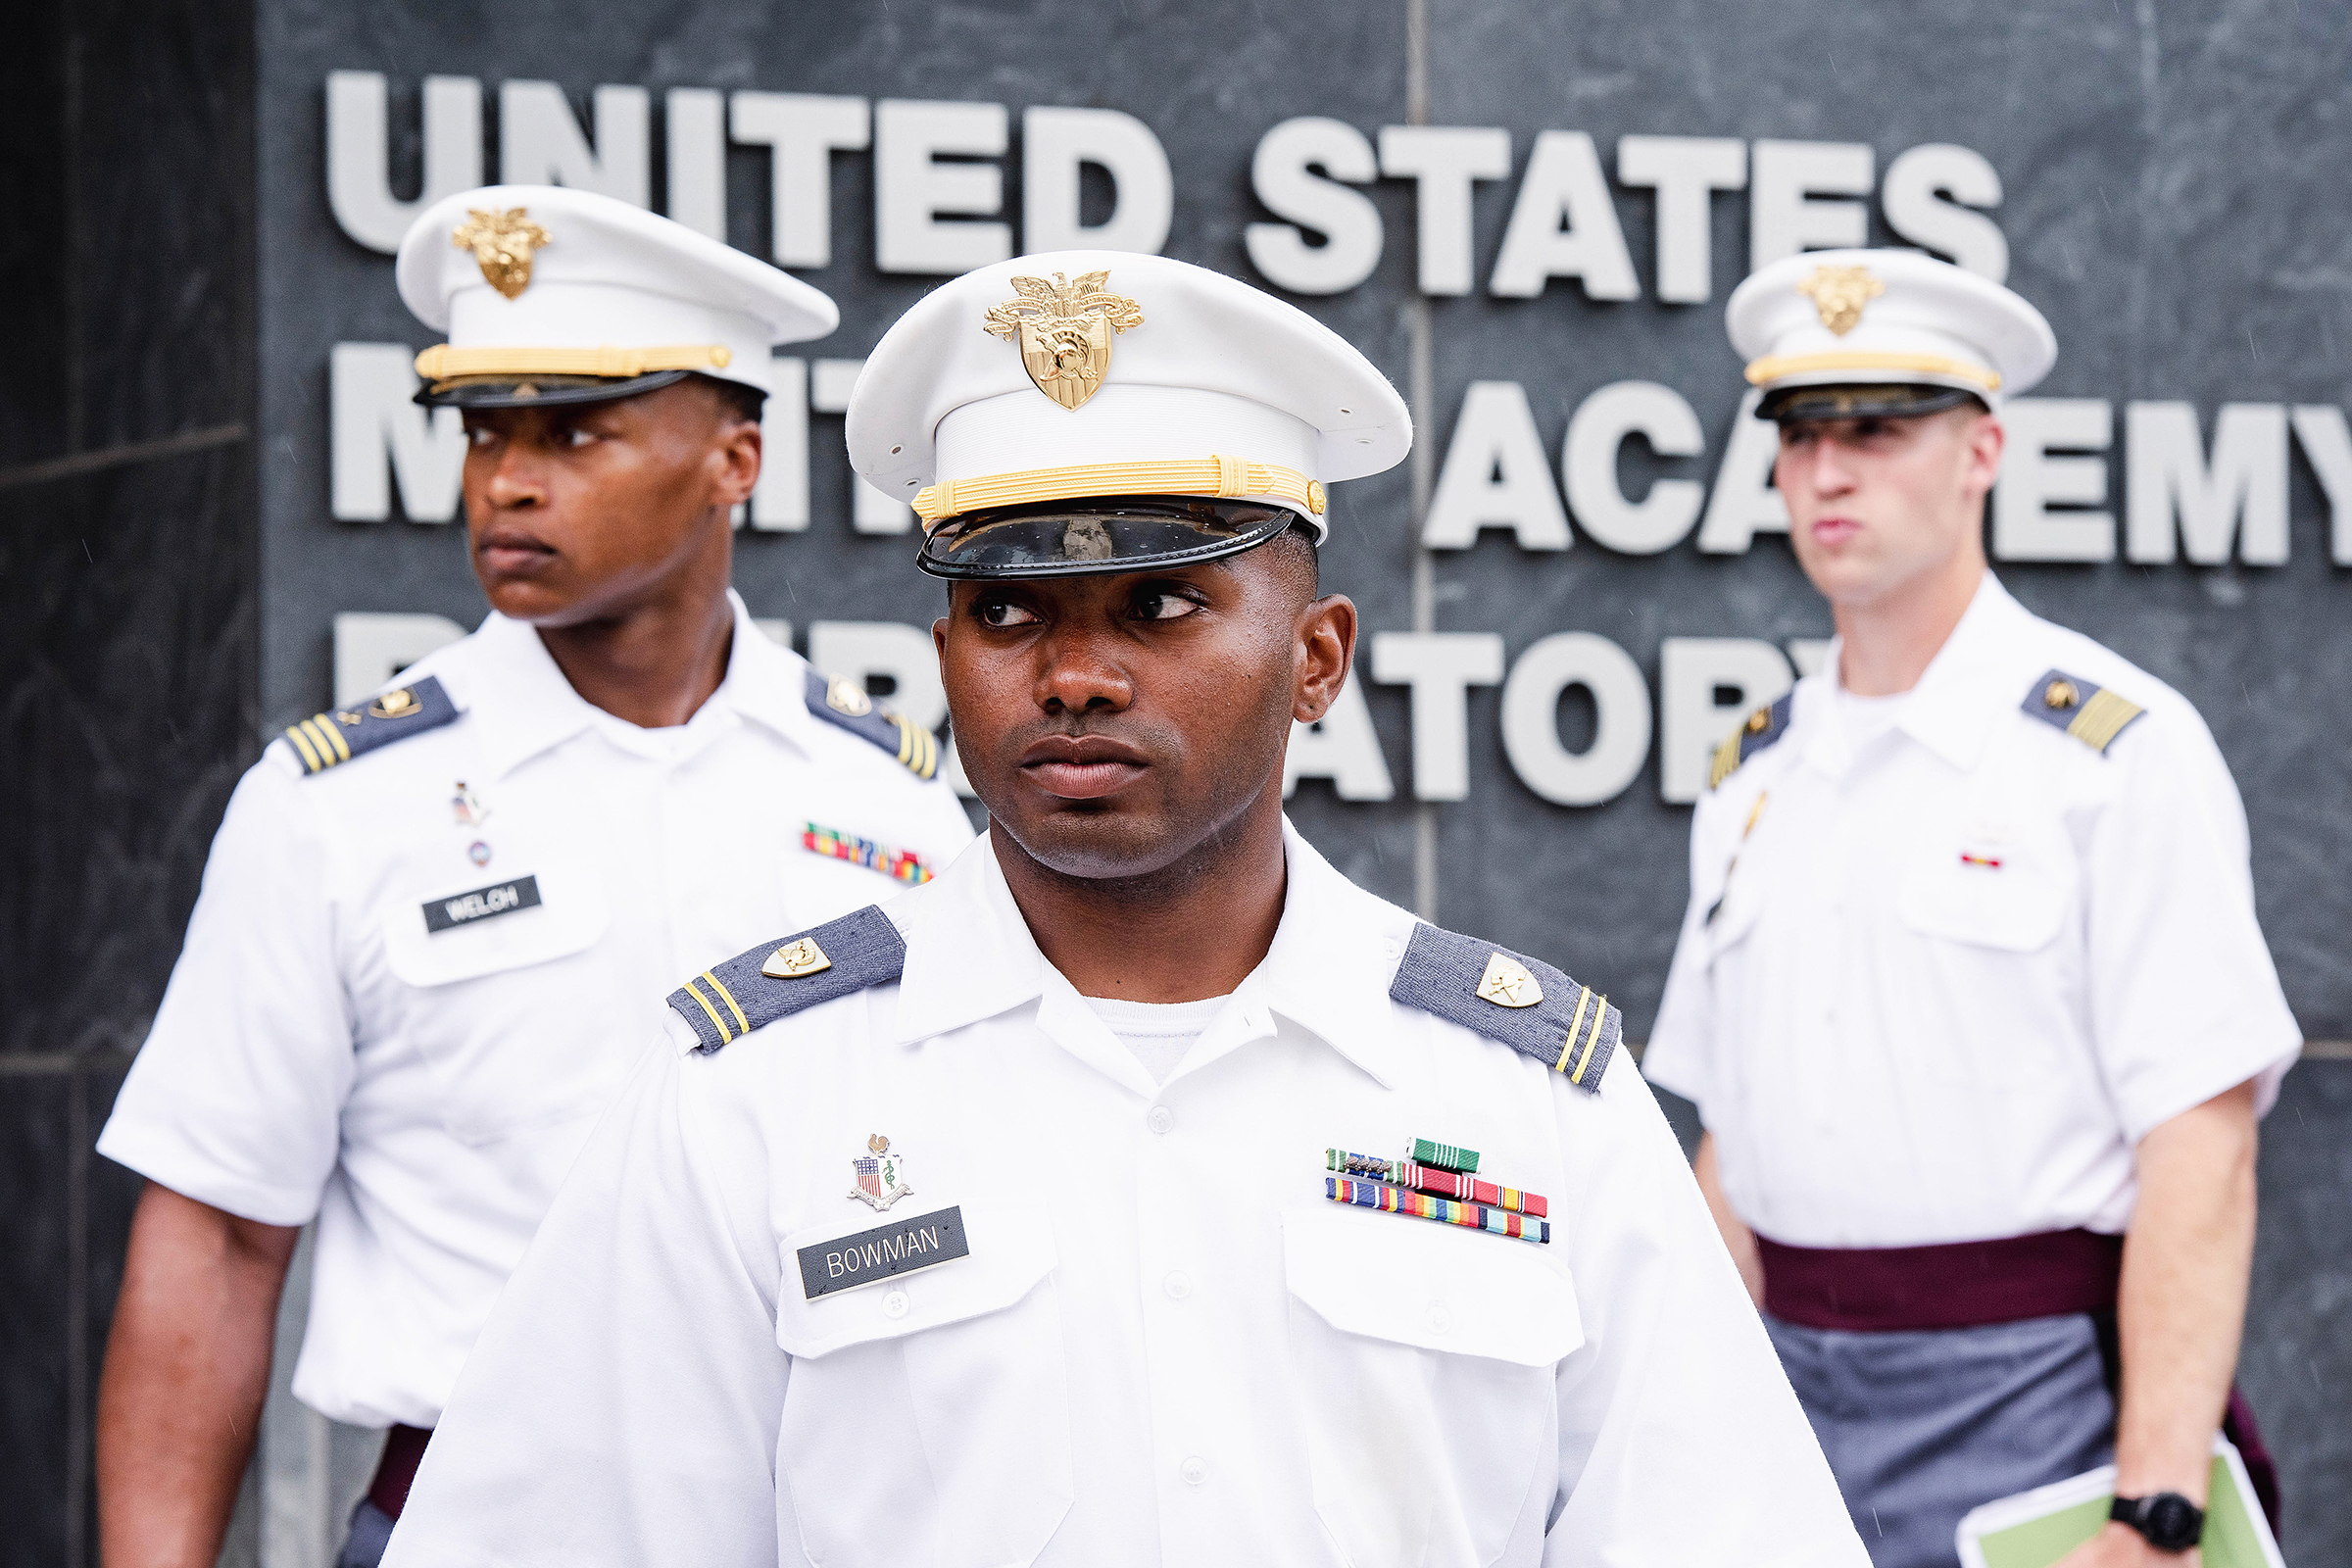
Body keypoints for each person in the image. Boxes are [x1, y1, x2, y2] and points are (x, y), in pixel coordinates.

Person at [379, 250, 1867, 1568]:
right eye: (1008, 610)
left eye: (1161, 603)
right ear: (946, 648)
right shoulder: (755, 1091)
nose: (1074, 673)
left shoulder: (1530, 1093)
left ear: (1318, 660)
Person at [93, 185, 974, 1568]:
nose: (506, 478)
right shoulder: (343, 805)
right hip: (473, 1522)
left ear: (734, 458)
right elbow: (216, 1233)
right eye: (483, 431)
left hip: (832, 1515)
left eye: (573, 431)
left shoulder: (884, 796)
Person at [1644, 248, 2301, 1568]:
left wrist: (2156, 1507)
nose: (1829, 473)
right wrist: (1697, 1430)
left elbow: (2201, 1142)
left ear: (1982, 451)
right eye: (1801, 437)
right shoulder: (1754, 771)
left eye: (1879, 431)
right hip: (1782, 1400)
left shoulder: (2110, 754)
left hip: (2033, 1403)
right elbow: (1727, 1141)